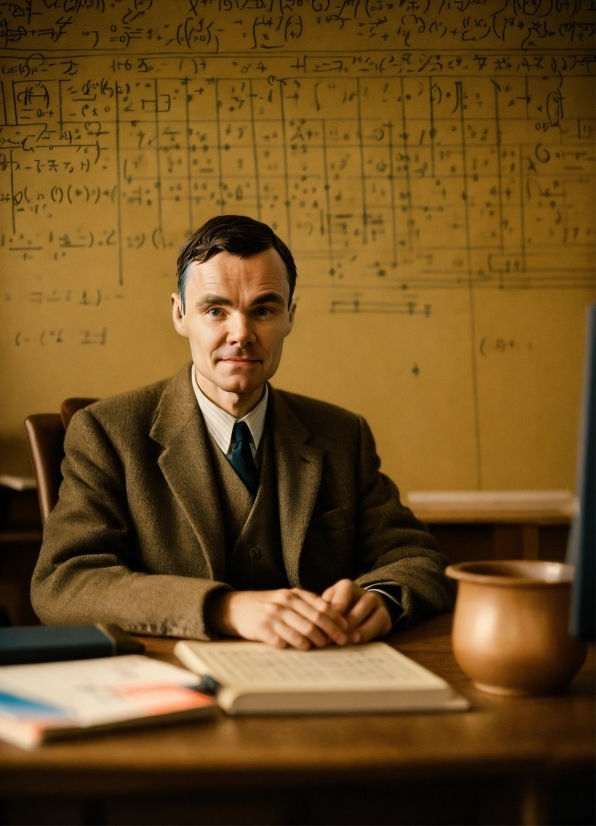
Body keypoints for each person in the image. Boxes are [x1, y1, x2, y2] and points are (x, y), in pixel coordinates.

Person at [31, 215, 454, 649]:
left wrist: (380, 599)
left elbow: (419, 559)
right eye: (216, 310)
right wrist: (223, 608)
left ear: (290, 316)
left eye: (263, 310)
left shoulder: (343, 435)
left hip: (322, 681)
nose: (242, 334)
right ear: (179, 314)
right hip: (176, 688)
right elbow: (64, 583)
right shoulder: (105, 432)